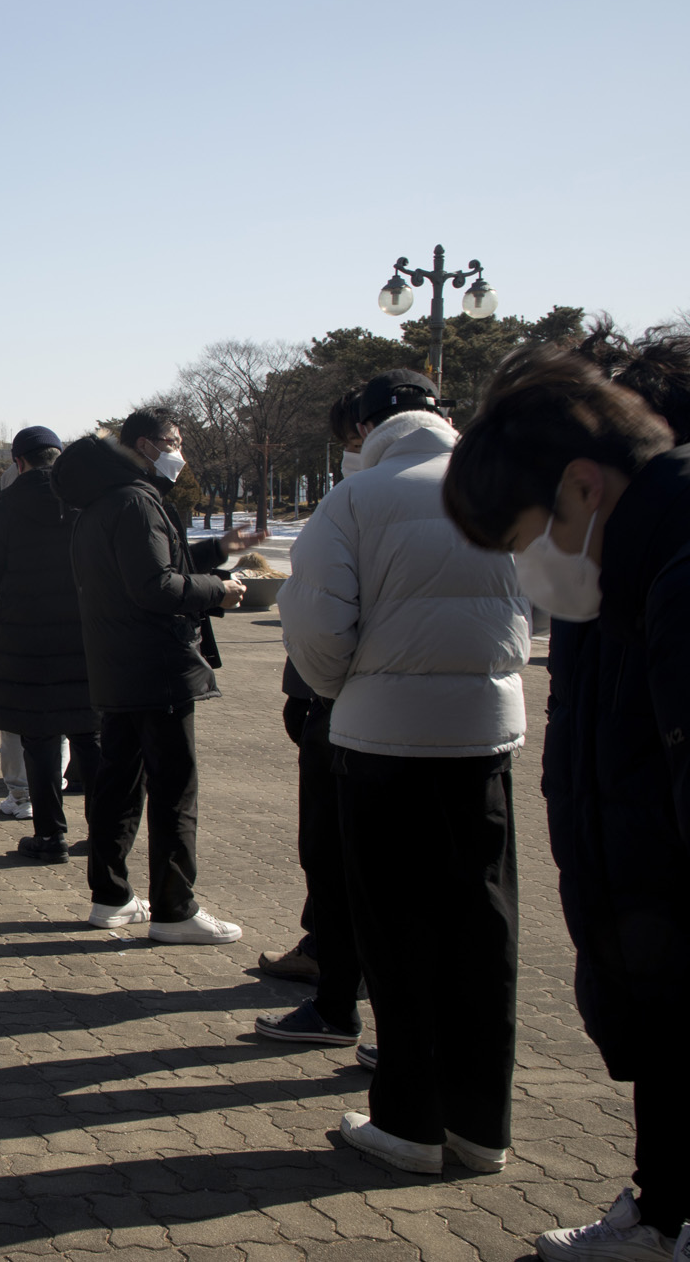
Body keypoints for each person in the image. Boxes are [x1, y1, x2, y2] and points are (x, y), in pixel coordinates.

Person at [442, 344, 688, 1256]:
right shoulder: (636, 566)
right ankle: (663, 1209)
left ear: (583, 486)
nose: (529, 571)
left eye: (524, 538)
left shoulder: (676, 567)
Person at [281, 370, 530, 1177]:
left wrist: (343, 689)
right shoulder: (499, 489)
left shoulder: (353, 500)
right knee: (482, 929)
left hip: (382, 743)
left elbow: (318, 628)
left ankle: (410, 1121)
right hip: (487, 739)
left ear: (365, 429)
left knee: (398, 931)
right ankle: (481, 1124)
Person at [50, 407, 260, 946]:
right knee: (173, 789)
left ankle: (112, 896)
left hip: (118, 665)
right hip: (156, 667)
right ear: (143, 447)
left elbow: (150, 567)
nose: (177, 450)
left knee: (120, 785)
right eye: (171, 441)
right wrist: (220, 589)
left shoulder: (100, 506)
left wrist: (217, 552)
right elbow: (155, 586)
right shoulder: (136, 502)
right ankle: (174, 906)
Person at [258, 388, 364, 994]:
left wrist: (318, 690)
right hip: (469, 725)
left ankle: (334, 970)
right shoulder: (471, 493)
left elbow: (317, 621)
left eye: (354, 440)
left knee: (333, 845)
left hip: (346, 704)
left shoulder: (354, 503)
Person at [0, 427, 100, 863]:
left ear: (19, 461)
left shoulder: (8, 508)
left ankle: (50, 835)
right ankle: (104, 833)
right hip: (88, 637)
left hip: (26, 640)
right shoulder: (89, 502)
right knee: (91, 737)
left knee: (40, 739)